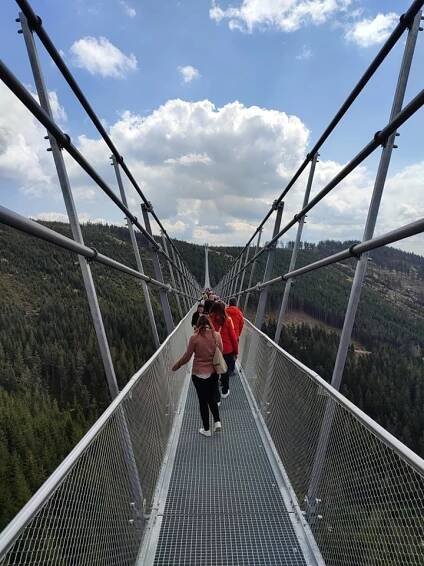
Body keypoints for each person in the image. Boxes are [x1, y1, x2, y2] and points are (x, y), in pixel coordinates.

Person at [172, 315, 222, 437]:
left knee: (202, 401)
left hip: (198, 374)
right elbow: (221, 351)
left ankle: (206, 430)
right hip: (213, 372)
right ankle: (217, 422)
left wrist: (176, 366)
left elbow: (187, 356)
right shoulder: (217, 336)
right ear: (209, 323)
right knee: (212, 398)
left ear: (198, 325)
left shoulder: (194, 338)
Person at [209, 301, 238, 398]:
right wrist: (236, 351)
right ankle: (225, 391)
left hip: (213, 350)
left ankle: (217, 399)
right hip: (227, 351)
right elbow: (233, 338)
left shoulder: (210, 320)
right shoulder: (228, 320)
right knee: (225, 372)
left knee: (214, 373)